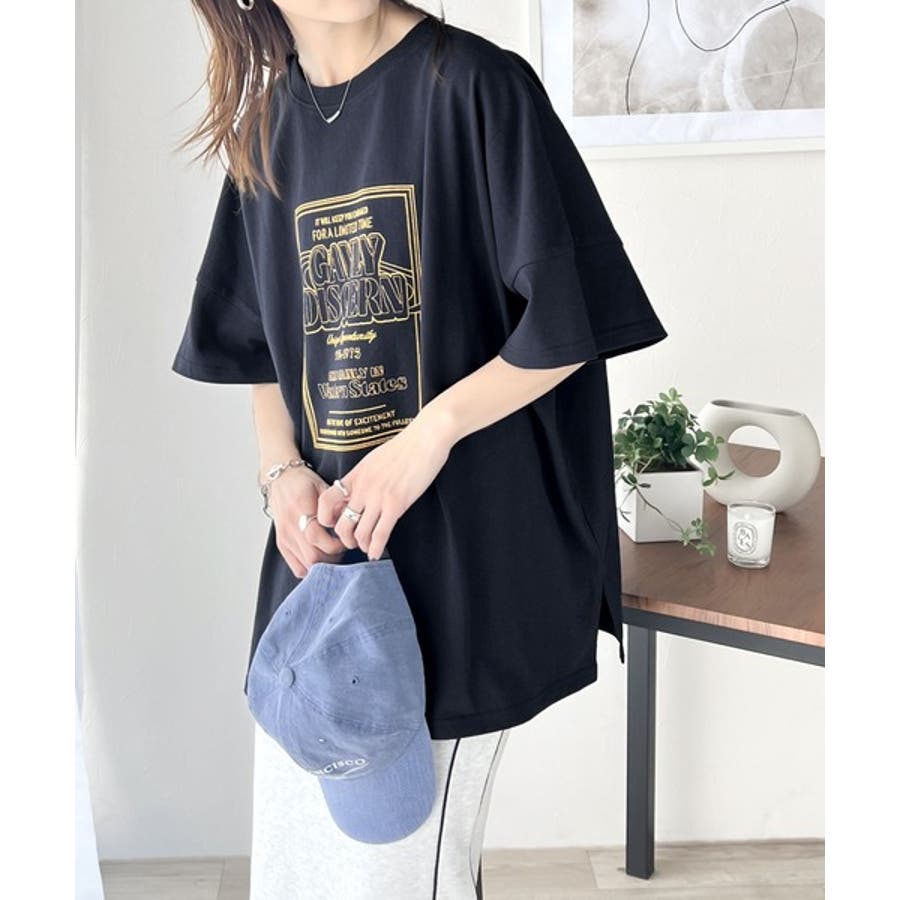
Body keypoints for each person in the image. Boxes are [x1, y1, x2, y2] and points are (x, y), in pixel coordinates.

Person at [171, 1, 669, 897]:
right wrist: (281, 475)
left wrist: (427, 436)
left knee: (404, 869)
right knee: (302, 869)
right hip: (328, 575)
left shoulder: (475, 88)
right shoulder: (264, 130)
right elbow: (255, 347)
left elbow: (567, 320)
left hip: (466, 561)